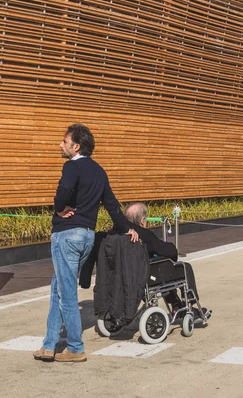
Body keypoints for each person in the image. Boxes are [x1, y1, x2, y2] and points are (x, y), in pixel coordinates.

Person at [35, 123, 141, 363]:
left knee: (66, 293)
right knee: (58, 289)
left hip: (67, 236)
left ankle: (75, 347)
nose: (60, 145)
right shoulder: (99, 171)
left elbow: (64, 190)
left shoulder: (71, 166)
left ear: (76, 146)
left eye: (64, 141)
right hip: (86, 237)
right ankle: (49, 344)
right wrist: (129, 228)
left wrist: (59, 208)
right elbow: (113, 206)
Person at [124, 202, 208, 318]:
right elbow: (171, 251)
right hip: (146, 276)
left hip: (127, 275)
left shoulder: (120, 235)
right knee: (181, 268)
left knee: (163, 271)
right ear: (142, 220)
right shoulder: (145, 234)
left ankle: (176, 304)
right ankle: (189, 305)